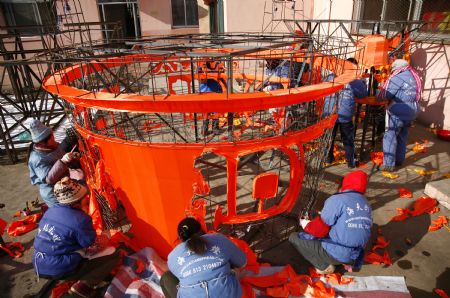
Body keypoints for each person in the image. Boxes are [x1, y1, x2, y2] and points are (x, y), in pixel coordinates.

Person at [33, 177, 119, 297]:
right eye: (86, 197)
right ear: (78, 201)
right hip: (59, 267)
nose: (88, 199)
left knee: (73, 246)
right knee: (113, 254)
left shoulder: (50, 211)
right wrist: (106, 235)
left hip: (39, 263)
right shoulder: (80, 220)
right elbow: (93, 247)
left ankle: (69, 274)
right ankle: (83, 286)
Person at [289, 170, 372, 274]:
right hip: (357, 254)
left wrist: (305, 224)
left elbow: (319, 230)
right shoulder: (366, 203)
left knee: (294, 237)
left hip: (338, 253)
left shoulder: (337, 199)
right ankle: (347, 262)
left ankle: (324, 267)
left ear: (345, 183)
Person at [160, 217, 247, 298]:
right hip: (229, 294)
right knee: (232, 267)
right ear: (201, 229)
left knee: (166, 278)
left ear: (180, 238)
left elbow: (175, 272)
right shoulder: (219, 239)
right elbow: (243, 262)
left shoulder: (173, 256)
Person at [379, 59, 421, 172]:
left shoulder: (397, 77)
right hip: (413, 110)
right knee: (402, 135)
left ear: (396, 68)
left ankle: (388, 165)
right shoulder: (413, 75)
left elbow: (386, 94)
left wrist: (379, 95)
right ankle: (399, 160)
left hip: (400, 110)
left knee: (390, 136)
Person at [28, 119, 80, 207]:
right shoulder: (37, 159)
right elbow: (49, 179)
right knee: (64, 214)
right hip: (53, 193)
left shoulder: (53, 146)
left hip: (65, 186)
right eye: (52, 136)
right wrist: (63, 161)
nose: (54, 137)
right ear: (45, 141)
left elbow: (63, 158)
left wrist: (72, 157)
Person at [326, 58, 368, 168]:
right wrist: (363, 83)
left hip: (329, 112)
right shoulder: (354, 81)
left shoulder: (331, 76)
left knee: (329, 137)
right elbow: (363, 94)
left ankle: (328, 158)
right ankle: (351, 161)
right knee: (348, 138)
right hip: (345, 113)